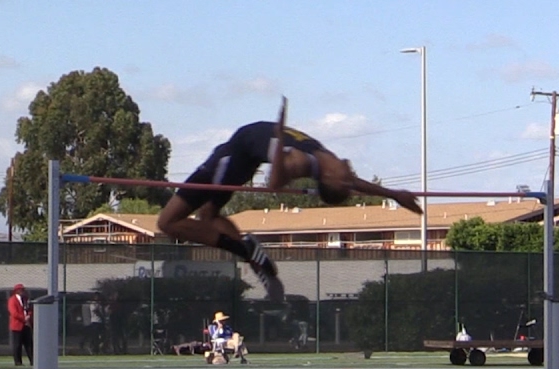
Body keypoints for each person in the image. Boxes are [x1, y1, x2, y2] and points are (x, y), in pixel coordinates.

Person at [157, 102, 423, 303]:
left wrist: (280, 138)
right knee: (210, 216)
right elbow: (356, 183)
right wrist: (393, 193)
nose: (352, 178)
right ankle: (250, 253)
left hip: (234, 157)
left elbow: (274, 184)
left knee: (167, 222)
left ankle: (244, 250)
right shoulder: (329, 163)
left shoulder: (302, 161)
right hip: (242, 152)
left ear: (332, 180)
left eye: (347, 182)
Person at [8, 283, 34, 366]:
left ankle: (33, 360)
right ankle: (18, 362)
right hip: (17, 325)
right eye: (21, 290)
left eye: (23, 290)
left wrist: (29, 316)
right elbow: (13, 313)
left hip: (26, 325)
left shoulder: (26, 299)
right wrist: (23, 318)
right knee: (17, 344)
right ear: (17, 291)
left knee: (29, 344)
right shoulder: (12, 300)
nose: (23, 291)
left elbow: (29, 309)